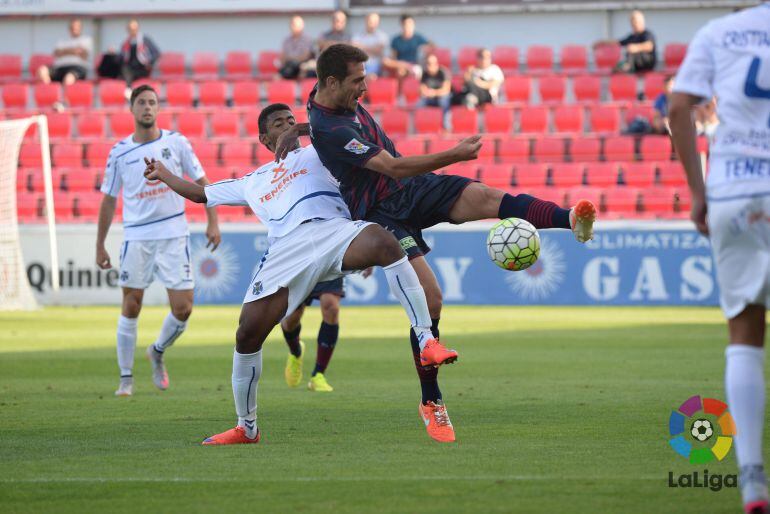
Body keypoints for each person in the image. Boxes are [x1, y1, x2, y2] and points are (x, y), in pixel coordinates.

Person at [279, 44, 596, 443]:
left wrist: (300, 128)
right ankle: (431, 401)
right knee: (431, 300)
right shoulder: (332, 128)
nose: (365, 86)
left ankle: (570, 220)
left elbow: (323, 124)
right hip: (382, 212)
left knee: (485, 198)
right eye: (357, 80)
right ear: (331, 81)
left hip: (411, 188)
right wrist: (454, 154)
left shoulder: (322, 107)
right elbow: (389, 164)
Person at [142, 103, 458, 445]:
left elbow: (338, 132)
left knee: (385, 242)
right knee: (247, 334)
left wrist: (302, 128)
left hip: (333, 230)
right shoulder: (253, 180)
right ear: (264, 139)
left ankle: (425, 338)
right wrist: (164, 174)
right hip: (285, 249)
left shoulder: (320, 152)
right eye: (279, 123)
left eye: (291, 119)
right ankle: (246, 427)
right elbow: (201, 194)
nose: (288, 125)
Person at [668, 5, 770, 513]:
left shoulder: (720, 31)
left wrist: (697, 192)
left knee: (745, 333)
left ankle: (753, 480)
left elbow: (678, 104)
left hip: (734, 190)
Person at [96, 85, 221, 397]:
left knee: (183, 308)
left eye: (152, 102)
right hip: (137, 236)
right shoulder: (119, 152)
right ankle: (125, 379)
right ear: (132, 109)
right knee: (131, 304)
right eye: (141, 102)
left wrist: (212, 221)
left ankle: (157, 350)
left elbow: (203, 182)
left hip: (174, 234)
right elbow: (109, 200)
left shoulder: (176, 143)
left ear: (158, 108)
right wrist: (100, 243)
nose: (147, 107)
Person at [281, 272, 370, 392]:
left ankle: (318, 375)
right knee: (291, 318)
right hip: (302, 263)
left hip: (330, 261)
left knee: (331, 307)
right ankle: (296, 352)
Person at [38, 18, 93, 86]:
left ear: (80, 28)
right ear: (69, 28)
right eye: (72, 27)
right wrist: (74, 51)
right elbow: (56, 53)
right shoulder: (62, 40)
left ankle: (66, 96)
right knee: (42, 70)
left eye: (76, 27)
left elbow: (83, 54)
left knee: (69, 78)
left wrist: (64, 51)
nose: (74, 29)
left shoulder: (86, 40)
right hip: (59, 67)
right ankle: (49, 93)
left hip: (77, 67)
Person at [384, 14, 429, 79]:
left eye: (410, 23)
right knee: (392, 66)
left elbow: (430, 46)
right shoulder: (396, 40)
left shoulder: (418, 38)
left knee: (417, 71)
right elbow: (393, 57)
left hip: (415, 65)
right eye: (406, 24)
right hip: (401, 65)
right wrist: (403, 65)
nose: (408, 26)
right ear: (402, 25)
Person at [119, 19, 161, 85]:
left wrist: (150, 63)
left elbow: (156, 53)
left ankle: (129, 89)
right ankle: (128, 90)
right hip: (130, 68)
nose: (133, 31)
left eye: (135, 29)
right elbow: (121, 57)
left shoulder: (145, 40)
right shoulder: (126, 43)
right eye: (131, 29)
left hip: (142, 67)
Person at [352, 13, 389, 77]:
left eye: (375, 22)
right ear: (366, 21)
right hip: (361, 64)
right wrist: (372, 49)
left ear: (378, 23)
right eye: (370, 21)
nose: (372, 24)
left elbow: (378, 50)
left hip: (376, 65)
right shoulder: (357, 35)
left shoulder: (382, 36)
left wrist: (362, 47)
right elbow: (354, 50)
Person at [280, 15, 316, 80]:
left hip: (302, 66)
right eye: (292, 24)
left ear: (302, 26)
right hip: (289, 66)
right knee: (287, 69)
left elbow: (305, 56)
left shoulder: (307, 39)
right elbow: (282, 58)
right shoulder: (286, 40)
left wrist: (291, 58)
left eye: (295, 25)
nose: (293, 27)